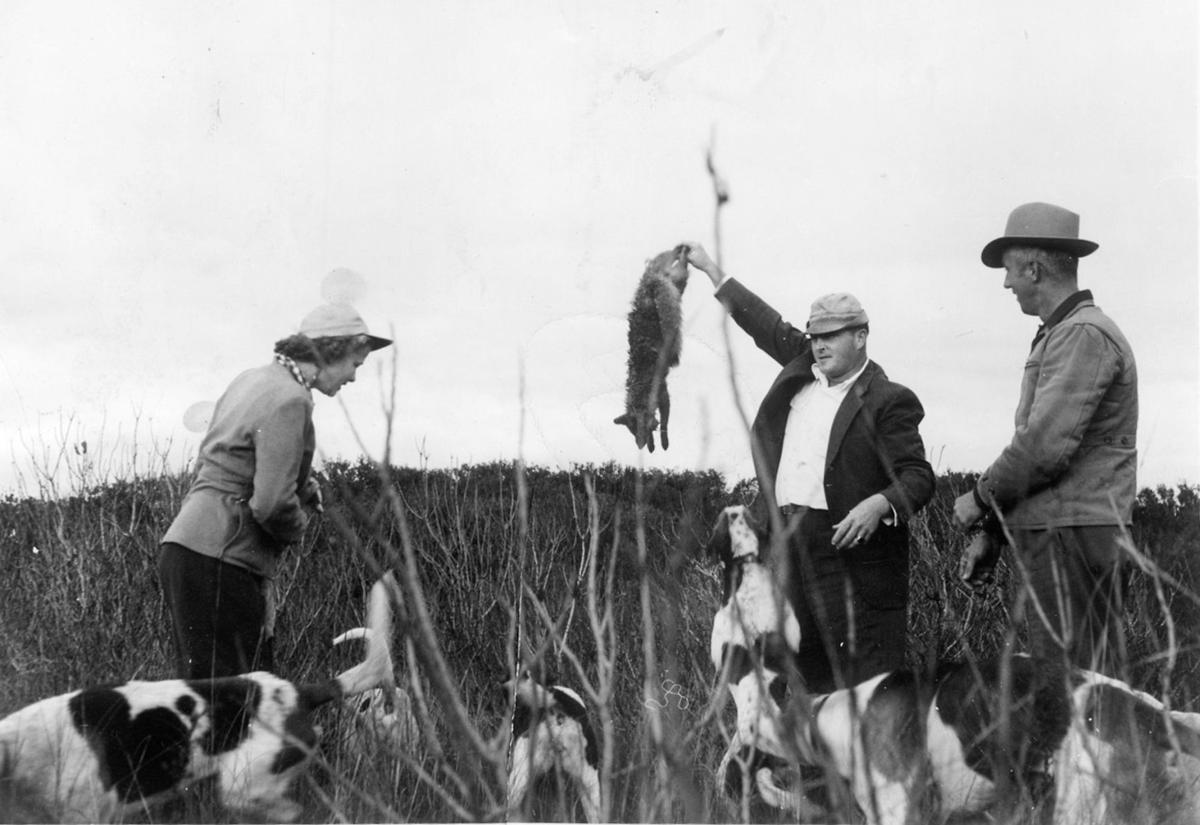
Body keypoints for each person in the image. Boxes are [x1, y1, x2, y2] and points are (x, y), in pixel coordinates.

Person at [685, 244, 936, 695]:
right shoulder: (803, 366)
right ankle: (814, 764)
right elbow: (761, 322)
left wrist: (879, 505)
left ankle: (865, 765)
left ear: (860, 337)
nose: (820, 345)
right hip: (788, 544)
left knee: (864, 683)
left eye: (833, 336)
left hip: (847, 550)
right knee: (801, 673)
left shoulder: (889, 399)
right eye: (815, 336)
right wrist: (710, 269)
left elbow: (918, 476)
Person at [158, 303, 392, 679]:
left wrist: (302, 483)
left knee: (213, 694)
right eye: (354, 365)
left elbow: (226, 459)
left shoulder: (251, 380)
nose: (352, 378)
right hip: (223, 559)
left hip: (187, 552)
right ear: (330, 352)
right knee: (238, 702)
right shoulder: (291, 400)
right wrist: (297, 525)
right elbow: (269, 505)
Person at [953, 202, 1137, 678]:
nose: (1006, 283)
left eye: (1011, 270)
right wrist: (995, 531)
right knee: (1070, 690)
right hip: (1058, 533)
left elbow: (1043, 450)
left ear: (1034, 269)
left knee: (1078, 694)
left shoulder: (1082, 335)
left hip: (1070, 537)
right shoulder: (1065, 334)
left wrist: (979, 499)